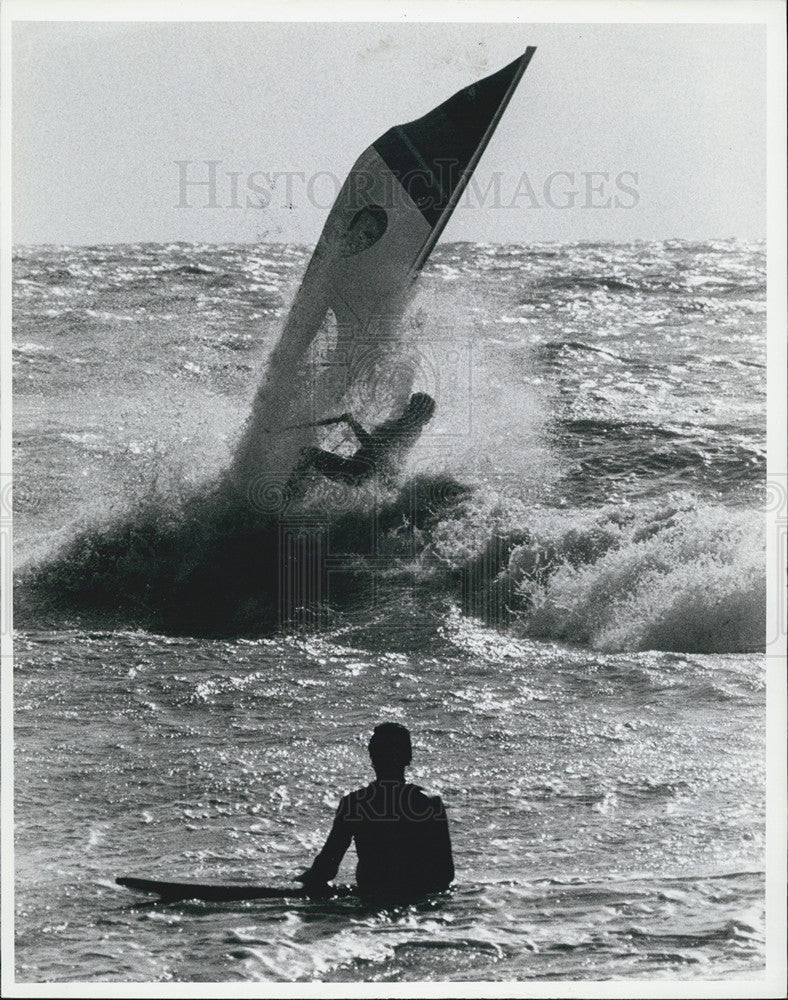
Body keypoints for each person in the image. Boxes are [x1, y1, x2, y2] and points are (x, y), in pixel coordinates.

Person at [296, 722, 454, 904]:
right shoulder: (429, 802)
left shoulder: (354, 803)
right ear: (408, 758)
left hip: (371, 895)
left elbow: (327, 868)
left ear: (372, 758)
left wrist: (309, 881)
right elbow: (445, 873)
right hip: (419, 897)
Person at [288, 392, 436, 489]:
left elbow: (373, 448)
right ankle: (297, 499)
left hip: (354, 472)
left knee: (307, 453)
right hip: (365, 476)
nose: (406, 407)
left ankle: (287, 501)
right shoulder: (412, 430)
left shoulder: (402, 427)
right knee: (314, 466)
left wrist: (353, 423)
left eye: (411, 405)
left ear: (415, 410)